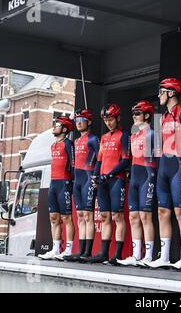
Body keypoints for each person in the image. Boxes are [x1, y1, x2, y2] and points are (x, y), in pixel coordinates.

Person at [148, 78, 181, 270]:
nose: (159, 96)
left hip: (179, 165)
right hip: (163, 167)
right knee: (162, 211)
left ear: (172, 93)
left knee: (180, 212)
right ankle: (164, 257)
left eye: (161, 92)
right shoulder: (163, 116)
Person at [89, 104, 130, 264]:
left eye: (111, 119)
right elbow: (99, 160)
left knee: (117, 217)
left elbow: (126, 160)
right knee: (105, 216)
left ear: (118, 118)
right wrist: (95, 177)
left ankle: (117, 255)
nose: (108, 123)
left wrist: (110, 174)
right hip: (103, 180)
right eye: (106, 120)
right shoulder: (104, 137)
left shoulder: (124, 135)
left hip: (116, 180)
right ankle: (103, 253)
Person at [118, 100, 157, 267]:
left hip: (148, 175)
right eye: (133, 113)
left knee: (145, 216)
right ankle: (136, 255)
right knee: (133, 217)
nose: (134, 116)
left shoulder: (153, 134)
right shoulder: (133, 134)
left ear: (147, 115)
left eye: (138, 113)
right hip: (134, 176)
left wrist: (154, 178)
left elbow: (159, 158)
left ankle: (148, 256)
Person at [64, 109, 100, 263]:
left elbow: (100, 158)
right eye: (77, 120)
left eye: (82, 120)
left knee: (88, 215)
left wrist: (96, 177)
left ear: (89, 122)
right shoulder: (76, 141)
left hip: (88, 178)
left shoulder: (93, 139)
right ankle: (80, 250)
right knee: (79, 216)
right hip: (77, 180)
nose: (78, 122)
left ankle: (87, 251)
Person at [39, 116, 75, 260]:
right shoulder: (53, 145)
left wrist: (72, 183)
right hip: (53, 183)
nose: (54, 127)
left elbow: (73, 165)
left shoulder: (68, 144)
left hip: (64, 182)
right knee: (54, 217)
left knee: (66, 217)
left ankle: (69, 249)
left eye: (57, 125)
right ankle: (55, 249)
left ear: (65, 129)